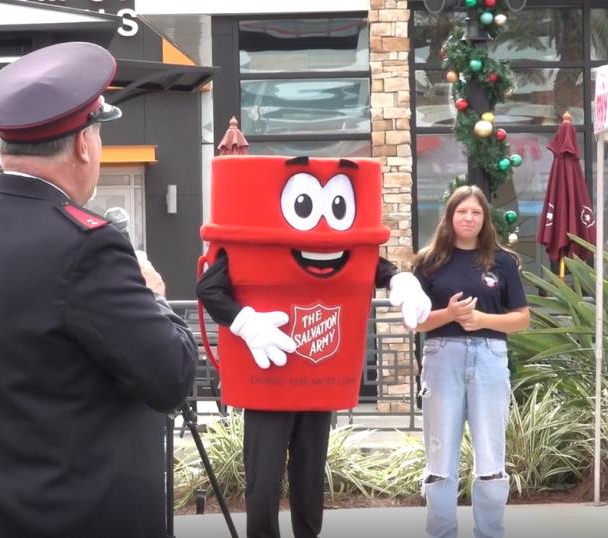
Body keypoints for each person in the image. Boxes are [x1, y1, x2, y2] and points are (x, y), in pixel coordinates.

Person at [0, 42, 197, 538]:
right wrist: (153, 293)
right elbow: (172, 377)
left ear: (4, 148)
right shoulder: (86, 246)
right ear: (83, 145)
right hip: (79, 517)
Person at [197, 251, 430, 538]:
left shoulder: (333, 247)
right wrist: (245, 323)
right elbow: (209, 287)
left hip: (316, 378)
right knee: (264, 473)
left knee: (309, 469)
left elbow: (363, 261)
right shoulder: (252, 245)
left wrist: (398, 278)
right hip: (269, 381)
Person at [412, 185, 530, 538]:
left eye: (476, 213)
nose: (468, 217)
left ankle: (490, 532)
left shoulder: (504, 261)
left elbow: (522, 319)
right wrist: (448, 313)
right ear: (449, 216)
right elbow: (417, 322)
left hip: (490, 357)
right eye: (462, 211)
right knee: (440, 457)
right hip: (441, 356)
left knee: (491, 455)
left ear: (484, 219)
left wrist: (482, 320)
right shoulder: (429, 261)